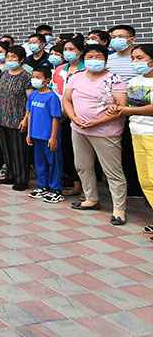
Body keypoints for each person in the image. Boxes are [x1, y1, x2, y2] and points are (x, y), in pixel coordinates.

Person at [63, 45, 128, 225]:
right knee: (82, 166)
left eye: (99, 56)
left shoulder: (114, 79)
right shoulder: (76, 77)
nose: (94, 59)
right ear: (84, 58)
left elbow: (120, 107)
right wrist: (74, 118)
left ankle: (119, 209)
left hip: (106, 132)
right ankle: (91, 199)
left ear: (106, 59)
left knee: (112, 171)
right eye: (90, 56)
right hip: (78, 129)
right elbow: (66, 100)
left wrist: (96, 122)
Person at [111, 44, 153, 238]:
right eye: (133, 58)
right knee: (145, 180)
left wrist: (129, 111)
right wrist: (117, 108)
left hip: (151, 134)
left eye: (139, 58)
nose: (135, 62)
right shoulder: (134, 81)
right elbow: (126, 104)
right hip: (137, 132)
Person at [107, 25, 143, 199]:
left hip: (136, 111)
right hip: (112, 112)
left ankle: (138, 188)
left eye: (120, 36)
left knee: (133, 149)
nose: (116, 40)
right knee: (118, 149)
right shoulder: (109, 59)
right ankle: (124, 186)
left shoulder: (138, 59)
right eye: (113, 36)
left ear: (132, 39)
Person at [0, 46, 32, 191]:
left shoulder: (26, 76)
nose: (10, 59)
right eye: (8, 56)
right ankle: (10, 175)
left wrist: (26, 118)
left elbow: (30, 100)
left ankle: (22, 179)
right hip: (3, 117)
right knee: (6, 148)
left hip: (18, 118)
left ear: (21, 59)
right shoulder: (3, 74)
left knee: (19, 150)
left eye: (14, 57)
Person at [24, 66, 64, 203]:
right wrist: (29, 133)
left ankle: (56, 189)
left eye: (38, 77)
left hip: (48, 137)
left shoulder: (52, 97)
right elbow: (29, 115)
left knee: (54, 163)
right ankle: (42, 186)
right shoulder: (33, 95)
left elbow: (55, 118)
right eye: (33, 77)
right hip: (36, 136)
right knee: (39, 163)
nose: (34, 80)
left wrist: (53, 137)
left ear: (47, 80)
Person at [53, 36, 86, 197]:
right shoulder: (60, 69)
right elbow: (56, 91)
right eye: (65, 49)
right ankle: (72, 182)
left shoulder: (86, 68)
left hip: (79, 115)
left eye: (71, 49)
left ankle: (83, 186)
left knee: (80, 153)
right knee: (66, 150)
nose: (68, 52)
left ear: (80, 51)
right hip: (60, 115)